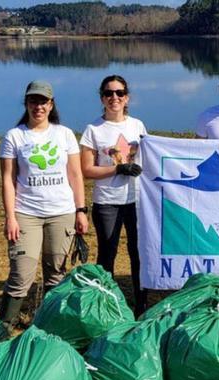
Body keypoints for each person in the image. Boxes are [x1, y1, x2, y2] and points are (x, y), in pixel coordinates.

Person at [0, 80, 89, 330]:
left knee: (57, 274)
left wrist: (81, 211)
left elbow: (75, 175)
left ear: (51, 104)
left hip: (62, 213)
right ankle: (4, 328)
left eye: (43, 101)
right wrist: (10, 217)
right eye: (33, 101)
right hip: (26, 213)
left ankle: (51, 326)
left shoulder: (65, 134)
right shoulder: (14, 136)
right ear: (26, 103)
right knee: (21, 274)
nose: (38, 106)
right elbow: (8, 179)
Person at [80, 74, 148, 315]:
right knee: (107, 253)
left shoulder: (137, 126)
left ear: (127, 97)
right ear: (102, 98)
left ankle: (141, 303)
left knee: (138, 253)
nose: (114, 98)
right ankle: (104, 304)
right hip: (107, 201)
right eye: (109, 93)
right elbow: (87, 169)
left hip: (137, 200)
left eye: (119, 93)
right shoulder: (93, 130)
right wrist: (117, 168)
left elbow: (148, 158)